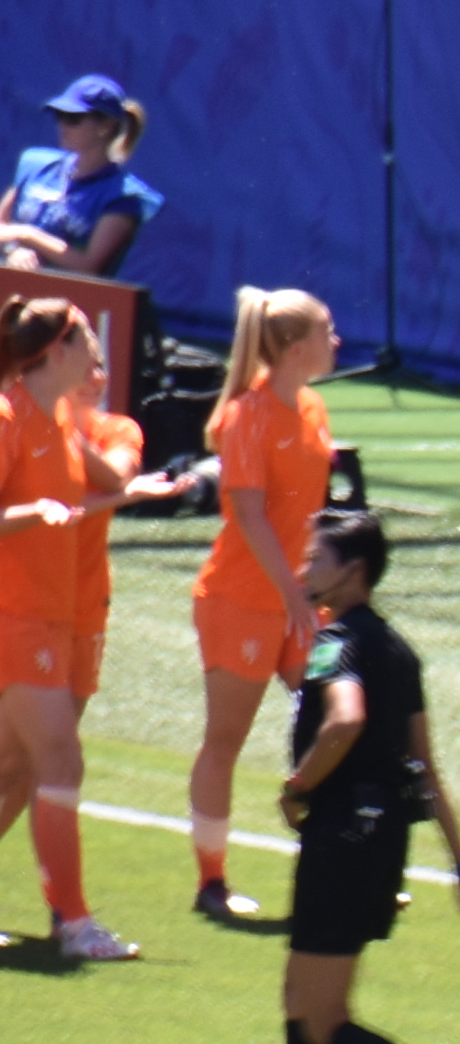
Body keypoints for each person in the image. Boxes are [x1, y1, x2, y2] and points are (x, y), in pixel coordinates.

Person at [216, 512, 460, 1044]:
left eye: (317, 558)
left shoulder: (335, 640)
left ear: (353, 570)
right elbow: (425, 765)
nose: (306, 568)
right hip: (382, 845)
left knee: (321, 1017)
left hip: (342, 839)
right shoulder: (400, 652)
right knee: (303, 1000)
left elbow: (343, 720)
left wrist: (299, 785)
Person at [180, 287, 340, 927]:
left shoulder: (312, 406)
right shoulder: (249, 415)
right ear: (297, 347)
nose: (337, 341)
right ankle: (211, 881)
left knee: (340, 718)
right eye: (327, 331)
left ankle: (337, 863)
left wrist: (316, 589)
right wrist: (292, 593)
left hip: (298, 601)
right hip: (243, 600)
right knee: (226, 739)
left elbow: (311, 511)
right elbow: (248, 514)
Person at [0, 297, 134, 957]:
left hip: (49, 617)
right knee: (58, 758)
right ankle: (73, 923)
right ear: (56, 350)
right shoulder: (8, 416)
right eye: (84, 337)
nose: (94, 350)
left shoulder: (55, 419)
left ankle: (72, 922)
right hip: (15, 618)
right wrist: (34, 512)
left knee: (13, 770)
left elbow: (99, 487)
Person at [3, 74, 158, 275]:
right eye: (59, 116)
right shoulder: (34, 164)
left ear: (106, 126)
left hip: (69, 303)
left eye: (73, 119)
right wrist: (13, 249)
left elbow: (89, 266)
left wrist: (29, 236)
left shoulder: (123, 197)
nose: (62, 126)